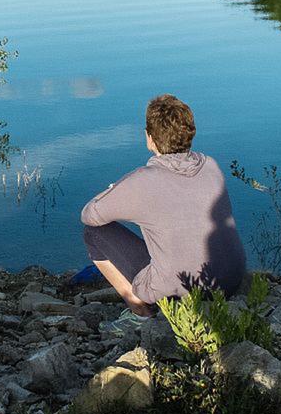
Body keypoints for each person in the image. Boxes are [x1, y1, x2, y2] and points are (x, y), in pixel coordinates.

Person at [81, 94, 246, 334]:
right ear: (191, 133)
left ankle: (141, 313)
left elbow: (89, 215)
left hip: (181, 292)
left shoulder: (142, 181)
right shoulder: (211, 165)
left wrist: (111, 194)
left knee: (93, 233)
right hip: (231, 282)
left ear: (149, 138)